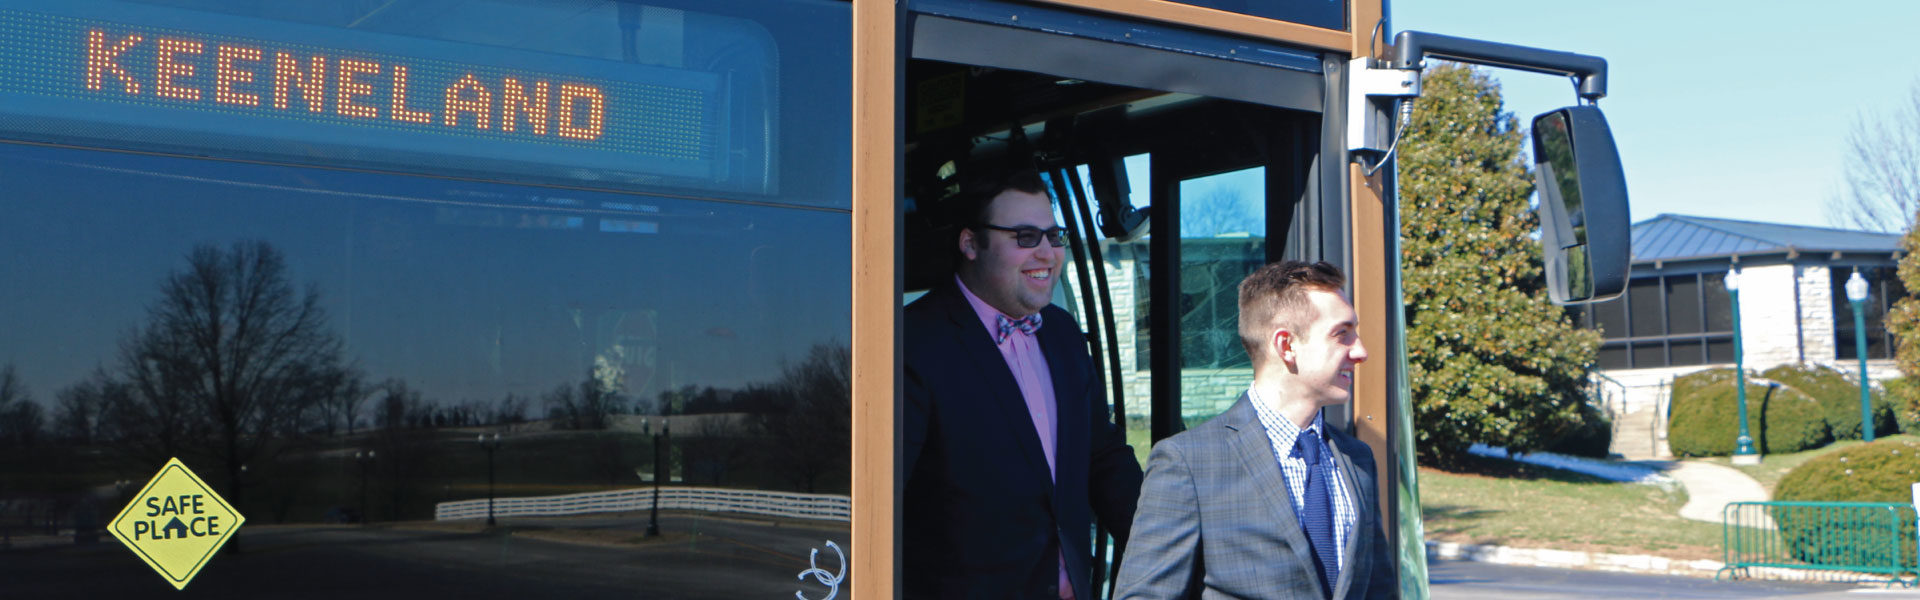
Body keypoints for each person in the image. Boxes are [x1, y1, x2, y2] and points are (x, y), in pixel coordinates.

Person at [902, 165, 1144, 600]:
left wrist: (1171, 553)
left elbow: (1103, 458)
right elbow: (885, 498)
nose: (1047, 253)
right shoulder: (913, 342)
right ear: (971, 243)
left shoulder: (1064, 334)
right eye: (1025, 237)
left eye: (1054, 237)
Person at [1114, 260, 1394, 600]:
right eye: (1342, 334)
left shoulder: (1357, 459)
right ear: (1286, 346)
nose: (1361, 351)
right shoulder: (1189, 463)